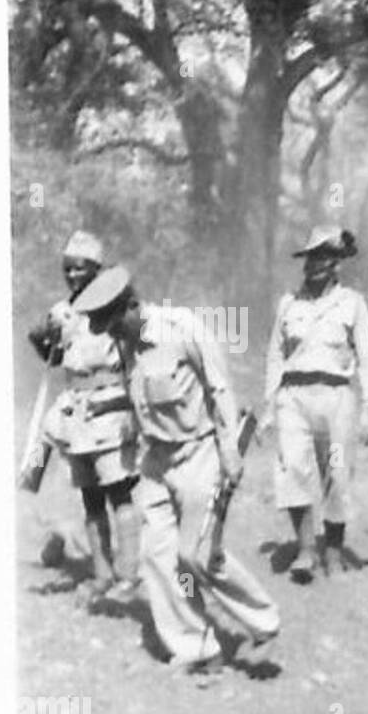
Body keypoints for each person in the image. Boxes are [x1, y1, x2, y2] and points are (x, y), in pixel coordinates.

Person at [74, 266, 280, 671]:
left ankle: (264, 624)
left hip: (199, 453)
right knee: (160, 557)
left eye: (114, 323)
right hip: (156, 461)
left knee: (199, 555)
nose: (112, 334)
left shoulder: (180, 327)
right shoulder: (125, 342)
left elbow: (219, 387)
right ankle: (197, 647)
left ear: (132, 305)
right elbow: (139, 400)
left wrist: (229, 452)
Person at [262, 225, 368, 581]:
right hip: (294, 397)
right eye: (311, 257)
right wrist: (269, 405)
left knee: (337, 474)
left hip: (336, 399)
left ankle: (332, 554)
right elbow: (274, 357)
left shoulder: (352, 303)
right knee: (292, 470)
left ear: (336, 264)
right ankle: (305, 551)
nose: (315, 265)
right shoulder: (289, 304)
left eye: (324, 258)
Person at [28, 231, 140, 601]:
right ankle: (101, 573)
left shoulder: (117, 306)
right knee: (90, 496)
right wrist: (40, 338)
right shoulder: (62, 311)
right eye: (68, 268)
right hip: (76, 410)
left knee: (118, 492)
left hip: (109, 407)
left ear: (96, 269)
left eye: (81, 268)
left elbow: (135, 349)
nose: (73, 275)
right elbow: (56, 358)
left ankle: (129, 574)